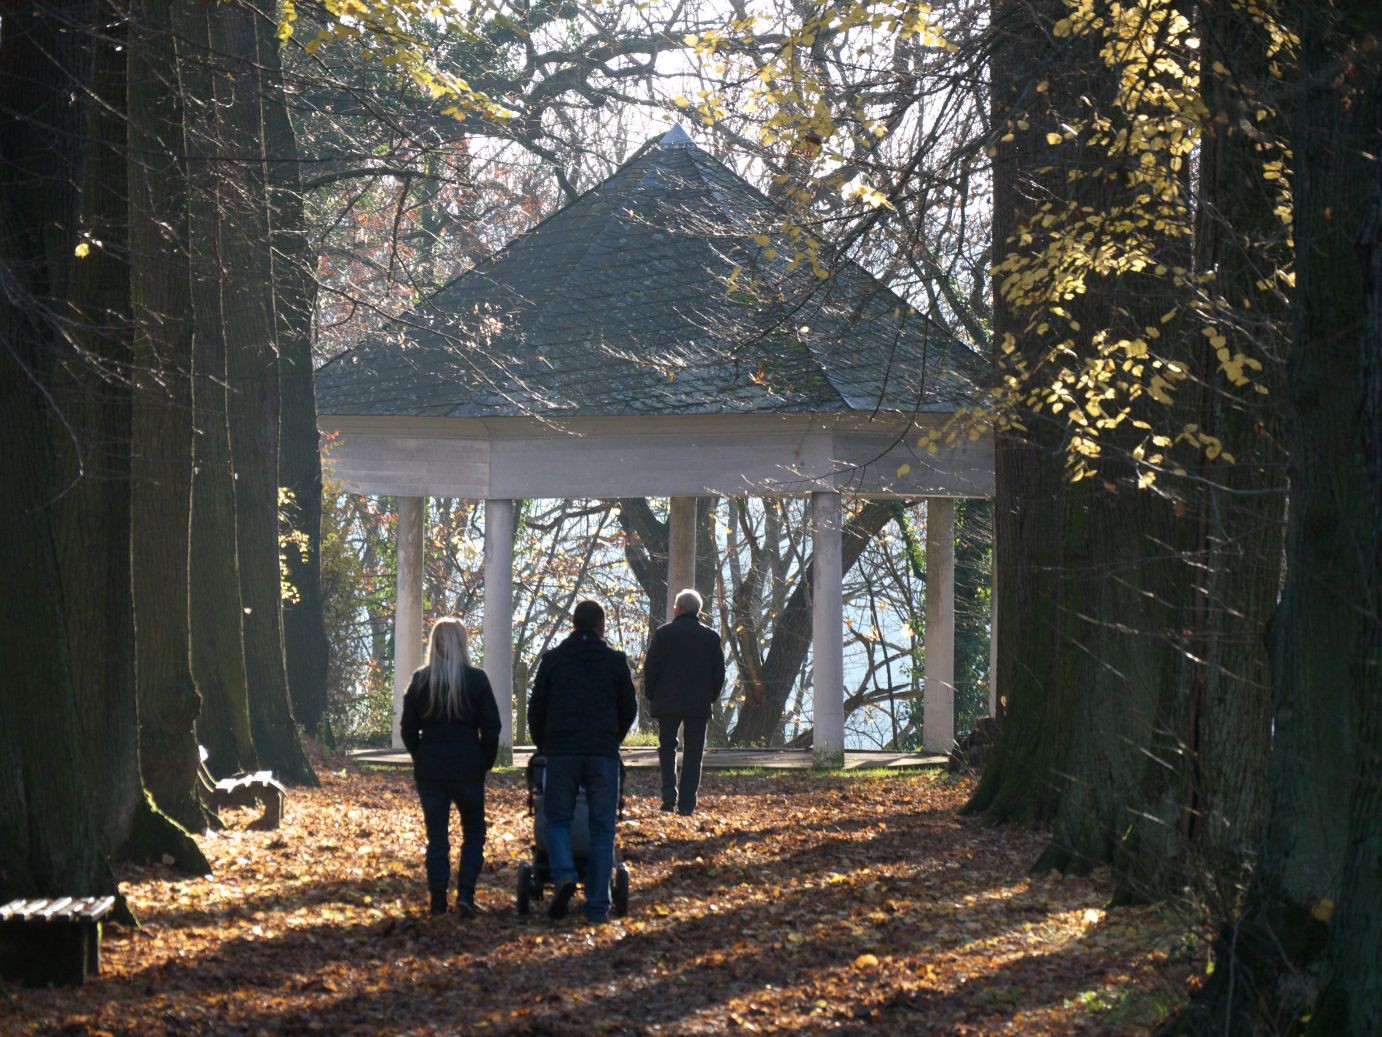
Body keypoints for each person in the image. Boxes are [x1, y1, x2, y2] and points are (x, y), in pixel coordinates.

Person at [527, 599, 637, 924]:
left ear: (573, 625)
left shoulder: (553, 660)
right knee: (603, 827)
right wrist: (612, 738)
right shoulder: (616, 662)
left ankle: (563, 875)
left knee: (558, 817)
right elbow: (628, 708)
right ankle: (597, 906)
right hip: (602, 750)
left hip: (561, 750)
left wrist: (542, 744)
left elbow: (537, 709)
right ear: (601, 627)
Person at [400, 617, 501, 917]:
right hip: (467, 767)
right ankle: (466, 893)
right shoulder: (477, 680)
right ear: (462, 643)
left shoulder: (420, 681)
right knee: (473, 831)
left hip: (431, 768)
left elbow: (407, 730)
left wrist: (421, 755)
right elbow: (492, 728)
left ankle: (437, 900)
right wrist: (484, 761)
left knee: (437, 836)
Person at [642, 588, 726, 815]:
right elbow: (719, 672)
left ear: (678, 608)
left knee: (667, 746)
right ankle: (687, 803)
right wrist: (711, 696)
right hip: (698, 703)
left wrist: (652, 695)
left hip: (667, 701)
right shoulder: (710, 637)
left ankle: (669, 795)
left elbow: (651, 668)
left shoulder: (664, 634)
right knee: (694, 752)